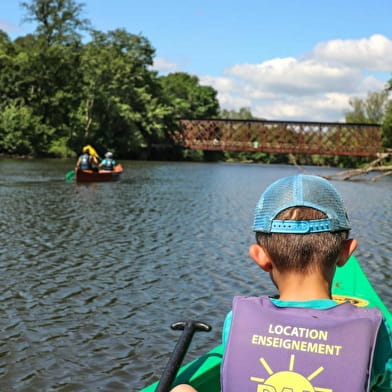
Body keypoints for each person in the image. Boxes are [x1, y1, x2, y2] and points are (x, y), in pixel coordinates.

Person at [171, 174, 392, 392]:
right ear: (346, 253)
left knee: (182, 389)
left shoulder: (236, 320)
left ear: (260, 257)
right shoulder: (377, 330)